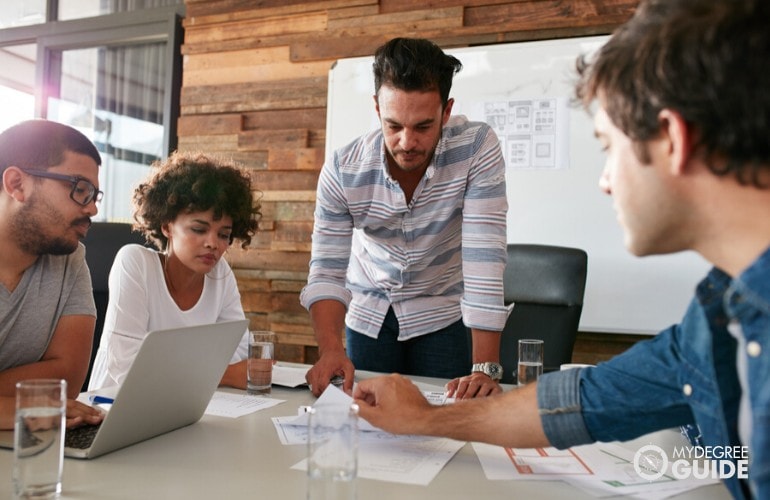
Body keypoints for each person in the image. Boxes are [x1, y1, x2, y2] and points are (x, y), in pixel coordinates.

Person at [353, 1, 770, 498]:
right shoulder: (718, 319)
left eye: (608, 145)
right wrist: (426, 417)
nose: (605, 180)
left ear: (672, 140)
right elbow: (585, 401)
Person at [301, 37, 509, 398]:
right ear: (378, 110)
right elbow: (327, 270)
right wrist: (331, 349)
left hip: (441, 313)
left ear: (446, 111)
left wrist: (484, 369)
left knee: (447, 423)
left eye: (423, 127)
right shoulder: (343, 169)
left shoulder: (476, 148)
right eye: (394, 125)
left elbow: (484, 258)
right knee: (370, 426)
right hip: (370, 315)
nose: (407, 142)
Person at [88, 151, 260, 390]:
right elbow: (128, 369)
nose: (213, 243)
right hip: (111, 408)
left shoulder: (220, 274)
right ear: (167, 226)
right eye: (199, 229)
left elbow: (240, 351)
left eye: (224, 235)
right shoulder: (135, 262)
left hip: (186, 404)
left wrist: (173, 366)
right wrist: (226, 375)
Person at [0, 120, 105, 429]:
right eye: (79, 189)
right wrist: (12, 409)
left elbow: (67, 381)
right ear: (17, 184)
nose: (92, 210)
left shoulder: (70, 258)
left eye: (94, 195)